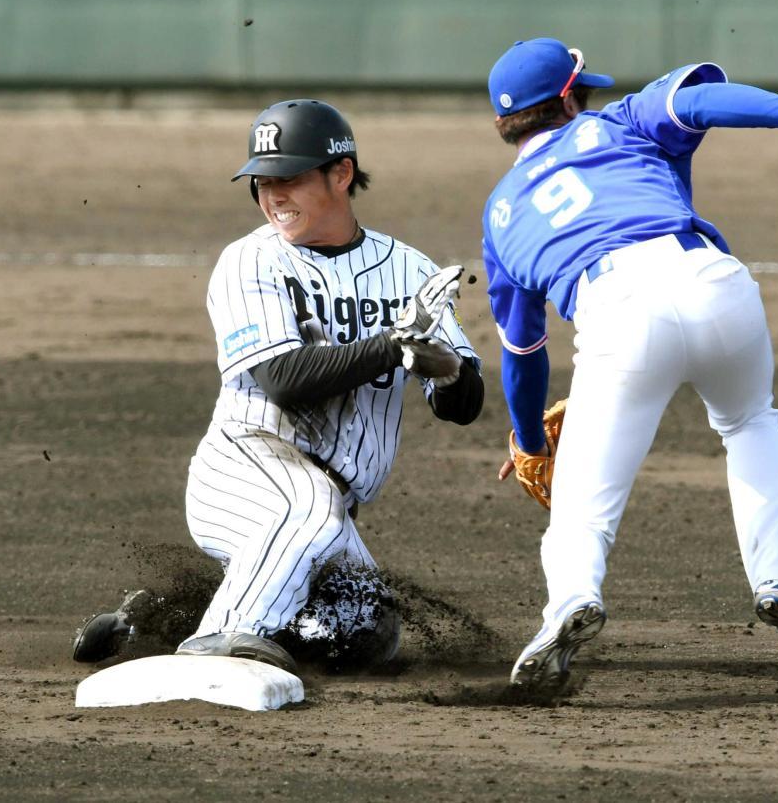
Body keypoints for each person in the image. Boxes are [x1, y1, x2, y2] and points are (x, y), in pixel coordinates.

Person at [482, 37, 778, 690]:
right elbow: (701, 100)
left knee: (582, 506)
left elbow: (523, 353)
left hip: (617, 316)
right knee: (751, 423)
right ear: (567, 96)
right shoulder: (618, 122)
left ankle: (572, 603)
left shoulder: (500, 214)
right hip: (712, 281)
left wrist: (531, 443)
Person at [73, 99, 483, 672]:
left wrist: (438, 362)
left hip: (335, 497)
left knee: (365, 630)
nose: (272, 195)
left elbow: (463, 406)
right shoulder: (250, 261)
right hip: (245, 465)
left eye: (287, 177)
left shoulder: (410, 270)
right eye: (261, 181)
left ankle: (151, 620)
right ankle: (220, 640)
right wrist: (393, 343)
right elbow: (284, 380)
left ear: (341, 174)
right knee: (307, 512)